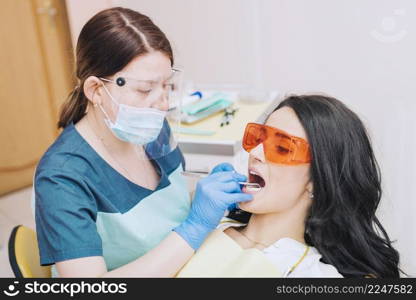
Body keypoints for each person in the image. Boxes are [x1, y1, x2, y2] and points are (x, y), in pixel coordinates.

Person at [34, 7, 252, 277]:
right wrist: (194, 227)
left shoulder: (151, 130)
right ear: (96, 90)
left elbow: (158, 212)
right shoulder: (62, 177)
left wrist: (206, 199)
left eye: (166, 86)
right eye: (145, 89)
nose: (162, 104)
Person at [177, 94, 402, 278]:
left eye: (282, 148)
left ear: (317, 179)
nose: (254, 153)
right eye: (258, 138)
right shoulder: (199, 228)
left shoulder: (316, 275)